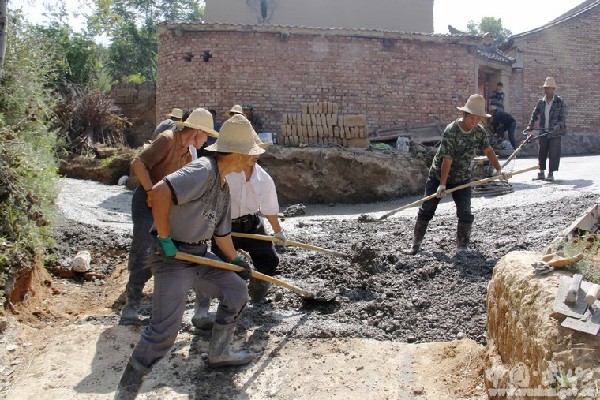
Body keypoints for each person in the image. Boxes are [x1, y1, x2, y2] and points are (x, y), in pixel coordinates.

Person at [115, 114, 265, 399]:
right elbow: (159, 192)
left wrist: (236, 261)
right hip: (173, 258)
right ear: (237, 153)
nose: (252, 161)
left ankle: (219, 352)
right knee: (164, 332)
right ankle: (125, 392)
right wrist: (164, 238)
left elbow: (221, 237)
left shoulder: (222, 188)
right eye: (251, 155)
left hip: (198, 255)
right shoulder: (202, 170)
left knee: (236, 290)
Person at [121, 108, 219, 323]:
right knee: (144, 250)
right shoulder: (167, 139)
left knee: (172, 249)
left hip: (163, 204)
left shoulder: (187, 153)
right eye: (207, 136)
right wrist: (149, 191)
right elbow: (138, 164)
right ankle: (130, 309)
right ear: (197, 132)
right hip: (146, 203)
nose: (207, 140)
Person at [402, 94, 510, 255]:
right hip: (439, 176)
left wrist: (499, 170)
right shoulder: (451, 130)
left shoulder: (479, 132)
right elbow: (447, 159)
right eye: (471, 118)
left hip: (462, 178)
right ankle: (415, 245)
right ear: (464, 114)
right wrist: (442, 184)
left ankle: (462, 246)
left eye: (477, 119)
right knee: (427, 210)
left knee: (465, 212)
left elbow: (488, 151)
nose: (474, 122)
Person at [525, 77, 568, 182]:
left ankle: (551, 173)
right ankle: (541, 172)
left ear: (553, 89)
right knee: (542, 151)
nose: (546, 90)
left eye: (548, 88)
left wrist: (559, 125)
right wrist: (530, 125)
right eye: (545, 88)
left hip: (555, 132)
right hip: (543, 131)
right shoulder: (541, 102)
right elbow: (534, 113)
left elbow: (564, 117)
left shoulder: (560, 102)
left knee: (554, 152)